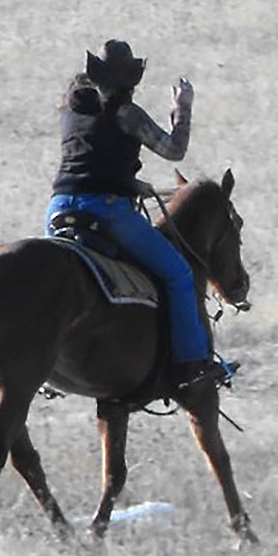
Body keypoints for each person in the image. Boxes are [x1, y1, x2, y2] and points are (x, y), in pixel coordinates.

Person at [46, 39, 232, 397]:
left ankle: (45, 370)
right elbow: (174, 150)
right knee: (178, 274)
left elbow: (88, 159)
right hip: (107, 210)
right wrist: (182, 108)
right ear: (128, 80)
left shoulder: (71, 110)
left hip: (59, 208)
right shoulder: (126, 113)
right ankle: (193, 367)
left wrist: (129, 180)